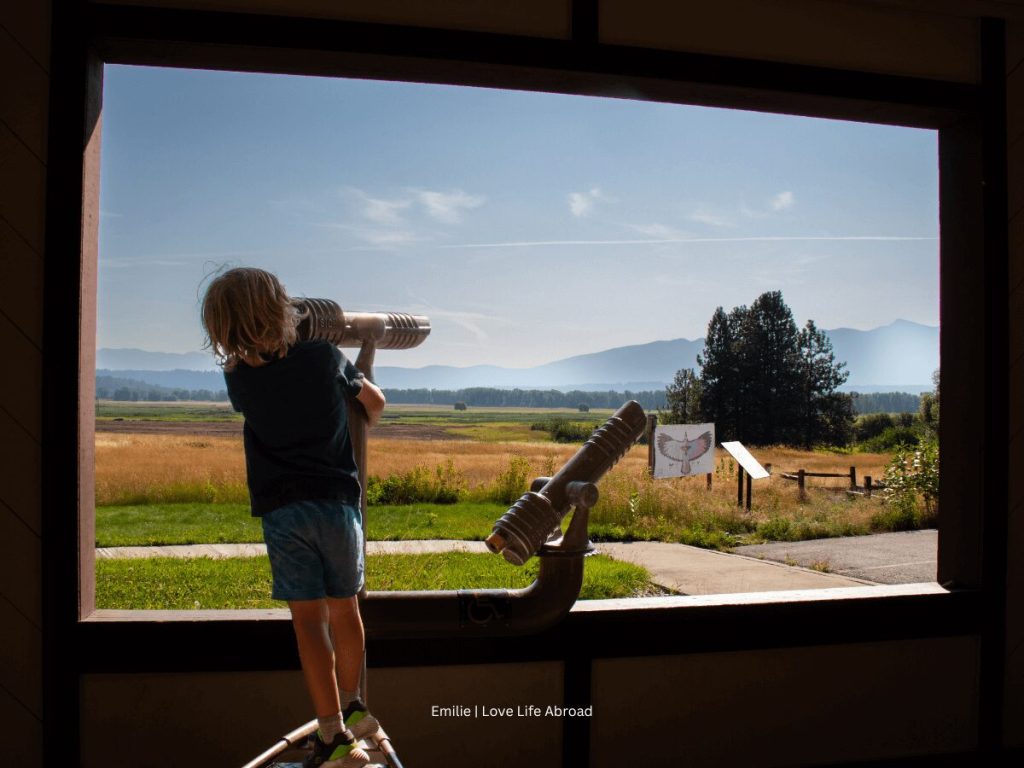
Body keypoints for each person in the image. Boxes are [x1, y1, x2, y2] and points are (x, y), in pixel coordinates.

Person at [201, 267, 386, 768]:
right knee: (345, 610)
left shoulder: (237, 379)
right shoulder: (325, 359)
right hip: (335, 502)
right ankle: (354, 704)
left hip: (281, 511)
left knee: (307, 621)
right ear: (282, 311)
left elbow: (261, 371)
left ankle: (330, 730)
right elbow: (375, 403)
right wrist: (357, 383)